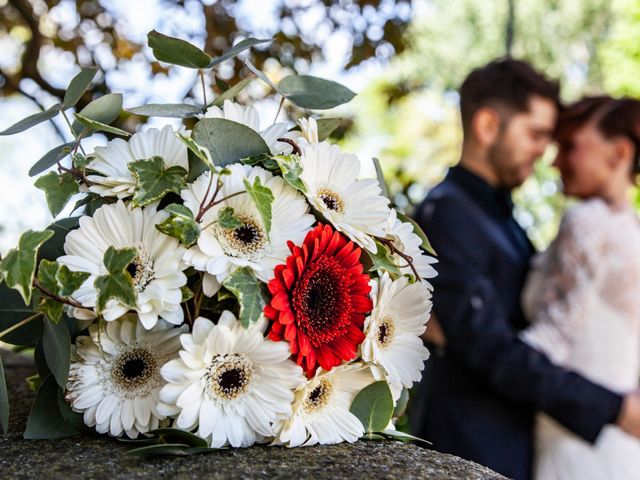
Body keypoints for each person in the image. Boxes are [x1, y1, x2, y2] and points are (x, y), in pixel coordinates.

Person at [407, 59, 640, 480]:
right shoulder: (448, 213)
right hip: (468, 449)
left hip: (520, 445)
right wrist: (613, 407)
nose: (544, 151)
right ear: (488, 126)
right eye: (535, 134)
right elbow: (492, 350)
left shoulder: (505, 220)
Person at [521, 96, 640, 479]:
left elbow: (553, 340)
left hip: (574, 444)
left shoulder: (586, 222)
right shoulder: (632, 233)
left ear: (618, 153)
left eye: (569, 147)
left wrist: (454, 336)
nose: (554, 161)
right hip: (620, 445)